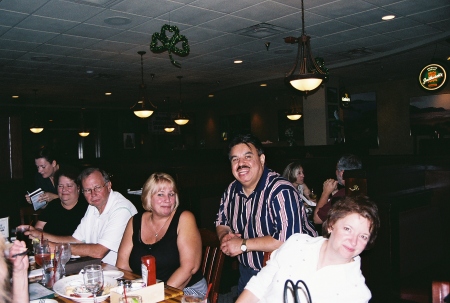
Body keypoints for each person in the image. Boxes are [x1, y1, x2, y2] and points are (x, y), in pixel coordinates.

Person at [215, 134, 317, 295]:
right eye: (235, 159)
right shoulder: (232, 189)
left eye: (248, 157)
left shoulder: (281, 190)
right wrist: (225, 237)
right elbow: (221, 221)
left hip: (288, 274)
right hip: (247, 271)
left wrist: (242, 244)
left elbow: (287, 240)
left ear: (262, 159)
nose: (241, 163)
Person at [236, 195, 380, 303]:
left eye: (363, 236)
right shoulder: (297, 244)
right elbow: (258, 288)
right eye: (347, 229)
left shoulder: (356, 293)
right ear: (331, 225)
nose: (353, 241)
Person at [116, 173, 207, 296]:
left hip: (186, 291)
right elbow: (122, 266)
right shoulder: (135, 221)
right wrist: (131, 293)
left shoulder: (184, 218)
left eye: (171, 194)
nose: (167, 199)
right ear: (148, 197)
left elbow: (189, 268)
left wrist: (157, 295)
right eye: (160, 194)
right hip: (147, 292)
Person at [24, 167, 137, 265]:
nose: (93, 194)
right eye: (87, 190)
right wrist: (40, 234)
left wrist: (57, 247)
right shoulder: (93, 207)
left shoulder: (121, 209)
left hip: (119, 273)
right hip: (95, 266)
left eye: (97, 188)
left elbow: (99, 251)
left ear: (108, 186)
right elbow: (75, 240)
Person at [33, 166, 88, 236]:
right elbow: (38, 228)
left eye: (69, 186)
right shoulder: (53, 205)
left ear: (78, 188)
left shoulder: (86, 208)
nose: (64, 189)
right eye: (60, 186)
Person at [313, 154, 362, 225]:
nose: (336, 173)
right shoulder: (362, 188)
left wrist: (325, 193)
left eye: (337, 170)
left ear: (342, 173)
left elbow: (317, 219)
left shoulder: (344, 192)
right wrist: (335, 193)